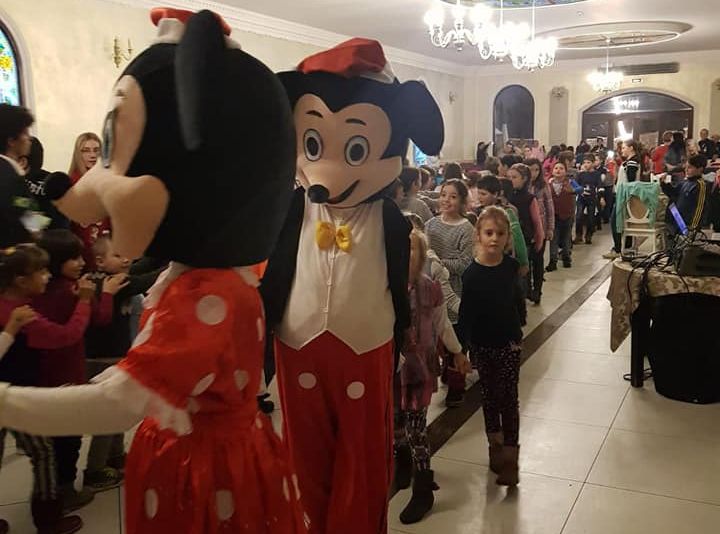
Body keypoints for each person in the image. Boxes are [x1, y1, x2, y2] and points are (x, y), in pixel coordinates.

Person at [0, 8, 306, 533]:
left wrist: (6, 402)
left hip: (202, 473)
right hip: (204, 456)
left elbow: (116, 404)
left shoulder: (209, 292)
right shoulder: (208, 276)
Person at [0, 243, 95, 534]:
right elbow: (66, 335)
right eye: (41, 271)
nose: (48, 276)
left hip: (11, 393)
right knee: (42, 453)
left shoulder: (10, 304)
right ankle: (48, 520)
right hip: (13, 396)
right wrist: (85, 302)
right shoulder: (21, 315)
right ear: (20, 280)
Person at [33, 230, 127, 510]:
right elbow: (99, 318)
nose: (80, 263)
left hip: (47, 372)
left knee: (59, 435)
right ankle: (65, 490)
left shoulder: (40, 290)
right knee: (69, 435)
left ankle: (60, 487)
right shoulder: (72, 291)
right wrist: (103, 295)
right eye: (73, 258)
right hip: (68, 370)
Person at [394, 229, 468, 525]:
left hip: (419, 368)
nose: (404, 253)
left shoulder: (430, 288)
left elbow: (442, 324)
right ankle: (402, 460)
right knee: (396, 421)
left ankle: (423, 487)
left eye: (411, 248)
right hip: (392, 368)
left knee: (416, 427)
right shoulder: (385, 286)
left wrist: (457, 352)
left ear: (422, 255)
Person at [83, 237, 164, 493]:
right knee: (107, 417)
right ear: (99, 261)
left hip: (109, 357)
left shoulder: (103, 277)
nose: (126, 260)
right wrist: (175, 266)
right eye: (117, 256)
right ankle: (95, 470)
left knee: (116, 410)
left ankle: (115, 457)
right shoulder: (111, 283)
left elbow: (140, 268)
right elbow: (145, 279)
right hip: (103, 360)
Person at [457, 206, 523, 487]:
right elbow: (466, 314)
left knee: (508, 398)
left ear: (507, 237)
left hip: (508, 343)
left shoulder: (510, 267)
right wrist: (461, 349)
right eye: (489, 233)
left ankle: (510, 458)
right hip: (482, 345)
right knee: (489, 396)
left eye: (500, 233)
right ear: (479, 235)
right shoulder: (472, 274)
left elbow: (516, 300)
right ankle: (494, 446)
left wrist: (519, 329)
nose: (494, 238)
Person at [425, 179, 475, 407]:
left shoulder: (466, 228)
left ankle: (457, 386)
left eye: (453, 196)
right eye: (444, 194)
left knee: (457, 336)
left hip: (456, 289)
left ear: (462, 201)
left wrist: (439, 262)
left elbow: (465, 263)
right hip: (433, 289)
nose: (446, 200)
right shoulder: (431, 225)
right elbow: (425, 253)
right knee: (440, 335)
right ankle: (448, 367)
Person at [67, 132, 111, 271]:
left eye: (96, 150)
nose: (92, 155)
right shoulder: (70, 184)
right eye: (86, 151)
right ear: (78, 154)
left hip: (106, 247)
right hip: (81, 247)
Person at [507, 164, 544, 308]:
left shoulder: (529, 198)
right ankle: (524, 293)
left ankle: (534, 292)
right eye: (509, 177)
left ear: (524, 179)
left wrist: (539, 239)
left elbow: (537, 221)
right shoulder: (508, 197)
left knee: (530, 267)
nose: (511, 180)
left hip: (527, 238)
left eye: (515, 177)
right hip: (512, 239)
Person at [0, 104, 36, 249]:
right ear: (11, 141)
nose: (29, 138)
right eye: (25, 133)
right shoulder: (11, 178)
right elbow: (28, 215)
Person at [604, 140, 642, 259]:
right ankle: (626, 247)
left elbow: (630, 181)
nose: (622, 150)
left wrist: (626, 196)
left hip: (624, 195)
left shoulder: (632, 163)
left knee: (615, 221)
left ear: (631, 148)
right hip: (623, 194)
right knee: (624, 223)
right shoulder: (629, 162)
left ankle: (617, 248)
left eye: (624, 147)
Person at [22, 137, 69, 231]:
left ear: (22, 162)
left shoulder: (16, 184)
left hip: (46, 236)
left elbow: (55, 221)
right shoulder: (53, 180)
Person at [525, 159, 553, 304]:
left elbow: (550, 208)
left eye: (536, 170)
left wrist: (550, 229)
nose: (533, 173)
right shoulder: (522, 186)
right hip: (527, 229)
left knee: (538, 260)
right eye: (530, 170)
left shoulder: (543, 186)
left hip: (540, 229)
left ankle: (537, 290)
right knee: (527, 261)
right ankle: (528, 289)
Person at [662, 154, 711, 235]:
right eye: (686, 167)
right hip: (676, 221)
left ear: (700, 169)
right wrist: (664, 184)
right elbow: (673, 193)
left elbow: (700, 208)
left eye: (690, 167)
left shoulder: (701, 185)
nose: (686, 170)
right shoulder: (685, 182)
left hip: (687, 226)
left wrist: (693, 227)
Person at [548, 162, 578, 270]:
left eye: (561, 168)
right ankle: (553, 261)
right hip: (554, 216)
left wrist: (573, 190)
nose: (558, 170)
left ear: (565, 171)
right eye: (556, 168)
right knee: (553, 239)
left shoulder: (570, 182)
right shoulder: (548, 183)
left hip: (567, 215)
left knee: (566, 238)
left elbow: (580, 189)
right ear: (552, 171)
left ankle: (566, 258)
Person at [574, 155, 603, 245]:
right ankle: (578, 235)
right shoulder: (580, 174)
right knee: (579, 216)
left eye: (588, 162)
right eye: (584, 163)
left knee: (591, 218)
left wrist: (601, 197)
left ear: (593, 163)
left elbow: (600, 186)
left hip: (592, 198)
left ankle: (589, 235)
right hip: (581, 198)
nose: (586, 164)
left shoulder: (597, 174)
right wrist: (579, 191)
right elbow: (576, 185)